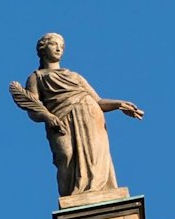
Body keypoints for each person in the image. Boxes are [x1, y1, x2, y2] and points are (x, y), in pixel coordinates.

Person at [8, 34, 143, 196]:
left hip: (90, 115)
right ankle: (70, 196)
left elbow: (99, 101)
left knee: (95, 158)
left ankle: (98, 192)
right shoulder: (36, 77)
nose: (59, 48)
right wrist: (47, 117)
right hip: (60, 119)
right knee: (65, 156)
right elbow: (33, 110)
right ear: (43, 49)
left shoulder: (74, 76)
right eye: (53, 44)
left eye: (62, 46)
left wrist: (119, 104)